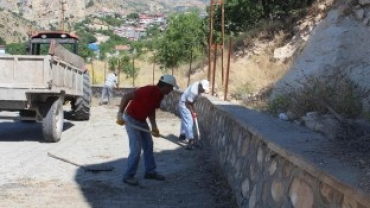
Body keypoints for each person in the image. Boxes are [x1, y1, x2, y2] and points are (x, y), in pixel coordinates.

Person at [116, 75, 179, 186]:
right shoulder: (147, 90)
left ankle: (150, 172)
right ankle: (128, 176)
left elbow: (151, 110)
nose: (171, 90)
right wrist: (120, 114)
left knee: (149, 145)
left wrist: (154, 126)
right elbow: (126, 96)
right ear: (166, 86)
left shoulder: (159, 95)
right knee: (136, 149)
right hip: (131, 119)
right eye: (171, 87)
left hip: (141, 120)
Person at [178, 79, 210, 150]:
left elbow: (191, 102)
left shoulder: (198, 84)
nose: (203, 91)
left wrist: (193, 111)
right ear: (200, 86)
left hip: (185, 102)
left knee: (185, 119)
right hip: (184, 104)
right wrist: (192, 112)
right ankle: (190, 140)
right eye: (203, 89)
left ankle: (182, 135)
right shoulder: (194, 92)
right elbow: (188, 103)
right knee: (189, 121)